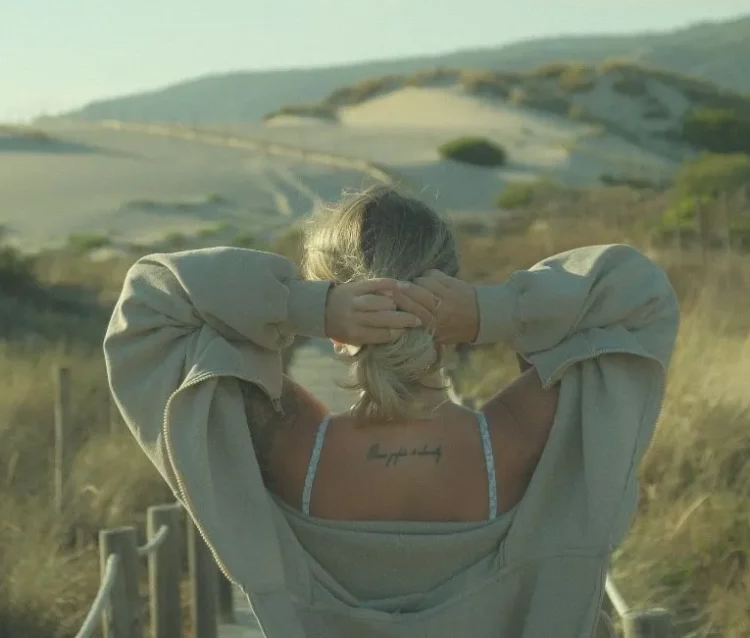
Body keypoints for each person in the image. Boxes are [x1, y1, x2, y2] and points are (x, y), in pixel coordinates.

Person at [104, 184, 679, 638]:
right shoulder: (521, 436)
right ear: (448, 303)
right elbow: (638, 295)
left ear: (332, 329)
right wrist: (493, 311)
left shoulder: (288, 445)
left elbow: (152, 300)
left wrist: (307, 307)